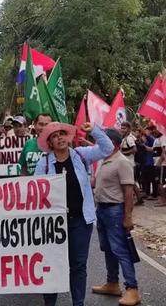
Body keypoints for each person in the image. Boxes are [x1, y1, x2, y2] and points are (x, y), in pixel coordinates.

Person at [35, 122, 114, 306]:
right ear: (50, 142)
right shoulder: (44, 163)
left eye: (62, 134)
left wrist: (94, 130)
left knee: (78, 265)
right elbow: (37, 193)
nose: (60, 138)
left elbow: (107, 148)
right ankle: (49, 303)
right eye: (55, 136)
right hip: (54, 225)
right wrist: (55, 207)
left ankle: (78, 303)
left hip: (80, 221)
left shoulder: (80, 155)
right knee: (52, 265)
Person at [91, 128, 140, 306]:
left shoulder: (122, 162)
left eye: (104, 140)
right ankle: (112, 283)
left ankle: (132, 289)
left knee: (121, 250)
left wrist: (128, 217)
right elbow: (94, 183)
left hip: (115, 210)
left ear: (114, 144)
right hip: (102, 210)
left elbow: (128, 192)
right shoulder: (103, 161)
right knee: (108, 248)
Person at [141, 127, 156, 200]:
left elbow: (150, 149)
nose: (145, 132)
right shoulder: (146, 141)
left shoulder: (151, 138)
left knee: (152, 178)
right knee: (145, 178)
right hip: (145, 162)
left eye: (147, 131)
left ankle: (154, 194)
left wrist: (139, 125)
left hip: (151, 162)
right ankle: (147, 193)